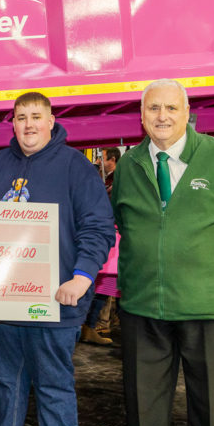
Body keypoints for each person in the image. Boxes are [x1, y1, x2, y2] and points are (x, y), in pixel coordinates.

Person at [111, 79, 214, 426]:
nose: (162, 116)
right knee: (143, 414)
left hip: (209, 307)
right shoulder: (129, 165)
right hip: (143, 307)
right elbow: (122, 220)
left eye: (171, 107)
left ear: (187, 113)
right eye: (153, 108)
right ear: (142, 116)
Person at [0, 92, 116, 426]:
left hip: (53, 305)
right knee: (6, 389)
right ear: (13, 124)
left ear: (51, 121)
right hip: (0, 307)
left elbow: (98, 227)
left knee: (53, 390)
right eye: (21, 118)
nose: (29, 124)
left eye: (36, 117)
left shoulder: (76, 167)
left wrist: (81, 277)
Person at [81, 147, 121, 345]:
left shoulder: (117, 179)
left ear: (112, 159)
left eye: (102, 158)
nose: (99, 161)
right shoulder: (103, 180)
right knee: (101, 285)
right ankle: (87, 326)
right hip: (105, 240)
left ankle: (90, 326)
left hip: (113, 239)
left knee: (105, 287)